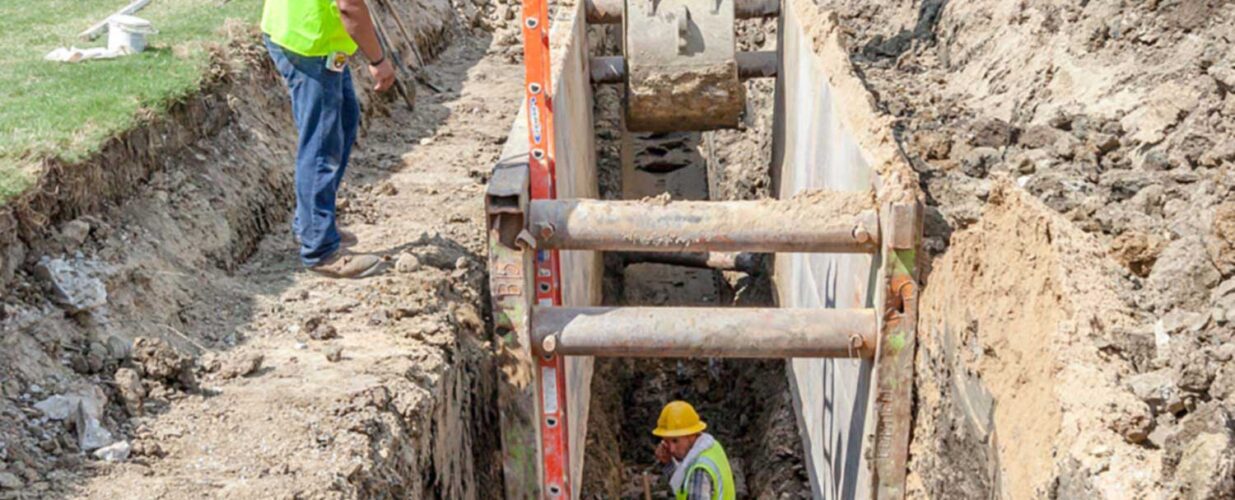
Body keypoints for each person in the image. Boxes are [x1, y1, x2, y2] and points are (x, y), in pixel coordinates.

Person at [260, 0, 396, 278]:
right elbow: (349, 7)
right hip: (310, 44)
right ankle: (320, 249)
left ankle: (310, 223)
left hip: (302, 32)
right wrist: (378, 60)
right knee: (322, 146)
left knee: (344, 121)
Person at [653, 400, 737, 500]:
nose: (671, 449)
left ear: (691, 435)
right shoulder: (711, 446)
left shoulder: (700, 470)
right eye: (666, 441)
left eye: (675, 441)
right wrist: (669, 464)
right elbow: (683, 483)